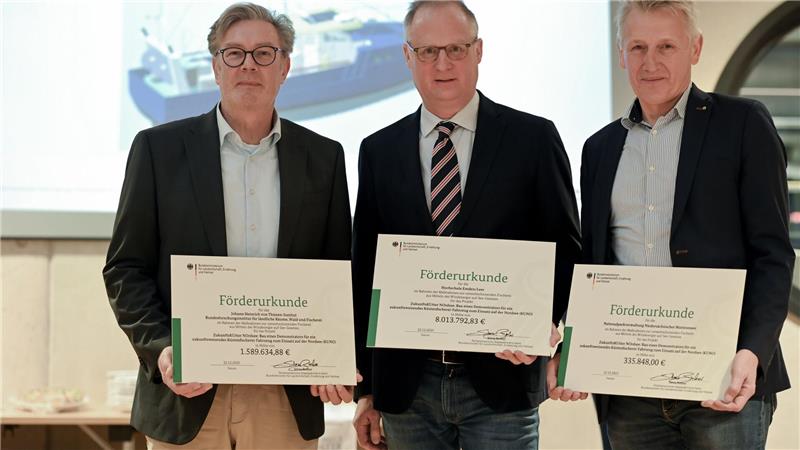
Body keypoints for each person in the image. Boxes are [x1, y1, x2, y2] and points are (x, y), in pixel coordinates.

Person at [103, 3, 354, 449]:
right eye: (234, 53)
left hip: (285, 397)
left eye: (264, 53)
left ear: (285, 67)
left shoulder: (324, 157)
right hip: (188, 394)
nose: (248, 65)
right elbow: (126, 269)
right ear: (215, 67)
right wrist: (162, 349)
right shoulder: (158, 150)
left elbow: (338, 272)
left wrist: (333, 356)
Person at [547, 1, 794, 449]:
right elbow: (595, 264)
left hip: (722, 378)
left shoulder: (743, 124)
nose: (650, 62)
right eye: (637, 47)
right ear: (621, 54)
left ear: (694, 48)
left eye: (666, 46)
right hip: (628, 390)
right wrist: (574, 350)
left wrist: (753, 351)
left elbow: (773, 255)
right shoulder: (599, 148)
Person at [350, 1, 581, 449]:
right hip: (407, 388)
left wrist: (542, 323)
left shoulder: (533, 139)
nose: (442, 64)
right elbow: (366, 271)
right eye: (427, 51)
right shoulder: (378, 150)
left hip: (503, 380)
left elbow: (566, 246)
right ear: (407, 56)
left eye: (455, 49)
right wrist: (367, 389)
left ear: (478, 51)